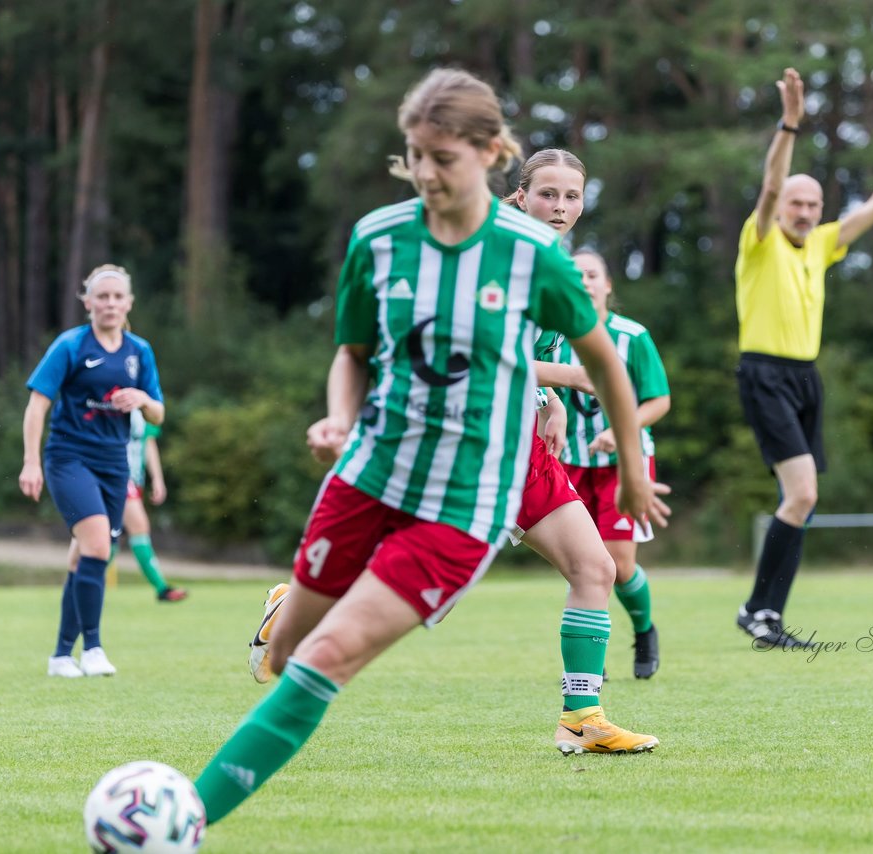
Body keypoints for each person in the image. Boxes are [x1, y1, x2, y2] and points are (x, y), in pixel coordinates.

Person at [191, 68, 667, 828]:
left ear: (487, 152)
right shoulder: (379, 238)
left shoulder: (534, 257)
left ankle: (582, 715)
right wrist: (339, 416)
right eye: (415, 156)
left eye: (442, 158)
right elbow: (351, 350)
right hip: (376, 466)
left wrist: (628, 467)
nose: (426, 173)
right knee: (289, 655)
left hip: (478, 480)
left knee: (591, 568)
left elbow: (600, 363)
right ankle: (287, 612)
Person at [733, 67, 873, 648]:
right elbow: (768, 183)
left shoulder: (824, 244)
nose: (804, 211)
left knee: (801, 499)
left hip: (806, 378)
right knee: (803, 493)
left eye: (813, 203)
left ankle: (767, 617)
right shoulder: (759, 242)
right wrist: (790, 124)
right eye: (796, 202)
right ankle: (757, 609)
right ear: (780, 205)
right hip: (764, 372)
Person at [20, 264, 165, 677]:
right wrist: (32, 462)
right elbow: (37, 405)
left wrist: (141, 399)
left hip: (114, 463)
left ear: (129, 303)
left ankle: (61, 655)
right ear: (88, 303)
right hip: (68, 458)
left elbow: (159, 410)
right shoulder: (70, 346)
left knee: (83, 556)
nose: (110, 303)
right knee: (99, 547)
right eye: (102, 296)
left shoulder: (140, 352)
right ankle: (94, 649)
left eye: (118, 297)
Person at [540, 249, 671, 672]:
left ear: (608, 284)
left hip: (623, 463)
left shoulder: (632, 336)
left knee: (619, 562)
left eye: (593, 274)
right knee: (583, 565)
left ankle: (644, 629)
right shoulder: (553, 337)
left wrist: (622, 429)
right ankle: (592, 651)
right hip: (570, 461)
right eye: (575, 274)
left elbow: (660, 400)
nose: (585, 281)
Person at [69, 410, 186, 602]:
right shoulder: (112, 402)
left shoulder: (144, 403)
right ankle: (161, 588)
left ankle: (85, 585)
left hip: (133, 480)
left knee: (109, 537)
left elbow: (148, 442)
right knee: (136, 527)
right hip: (115, 476)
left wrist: (157, 478)